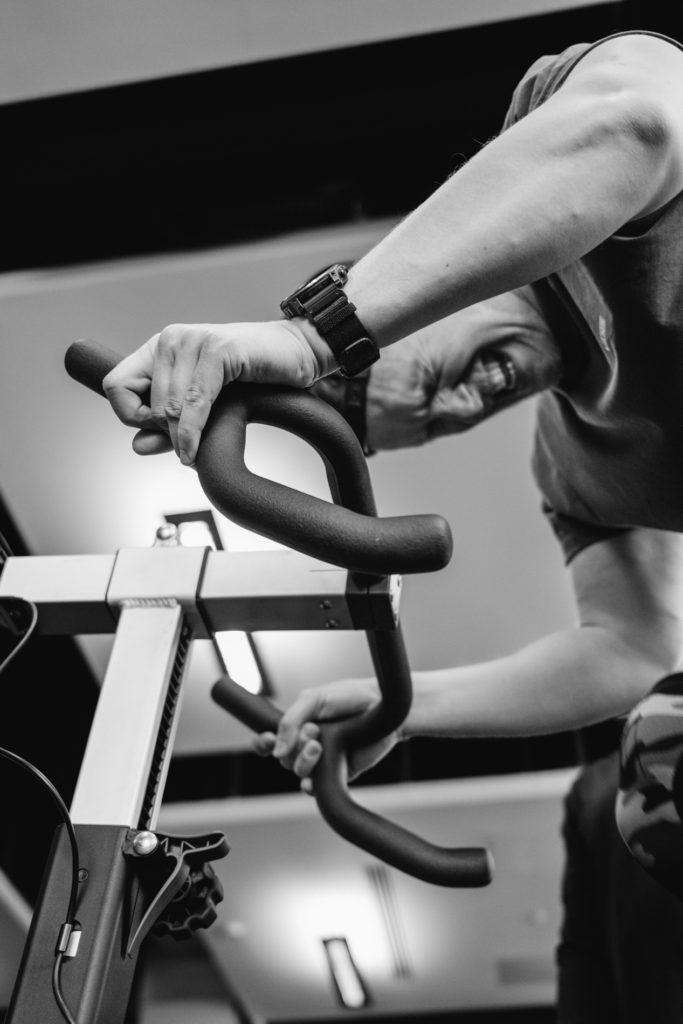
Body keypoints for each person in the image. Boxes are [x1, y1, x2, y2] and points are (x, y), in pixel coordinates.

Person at [102, 32, 683, 848]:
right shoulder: (580, 466)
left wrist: (318, 337)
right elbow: (631, 649)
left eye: (421, 380)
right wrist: (405, 710)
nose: (463, 401)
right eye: (441, 424)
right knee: (659, 775)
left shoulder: (552, 124)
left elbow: (641, 123)